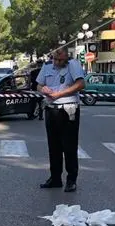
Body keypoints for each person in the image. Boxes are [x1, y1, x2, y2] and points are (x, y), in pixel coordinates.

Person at [36, 47, 85, 193]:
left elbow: (81, 84)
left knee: (69, 146)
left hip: (68, 109)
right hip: (51, 109)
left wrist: (60, 93)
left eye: (61, 60)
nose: (57, 62)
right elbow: (39, 84)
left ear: (67, 58)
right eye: (55, 59)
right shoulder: (47, 66)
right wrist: (43, 89)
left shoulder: (73, 65)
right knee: (54, 146)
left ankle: (71, 180)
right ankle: (55, 178)